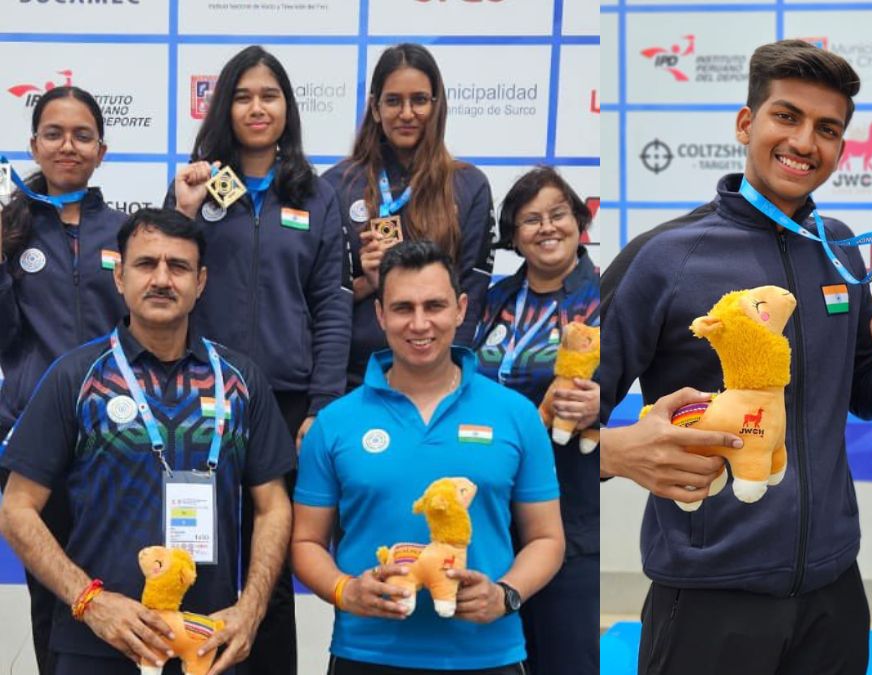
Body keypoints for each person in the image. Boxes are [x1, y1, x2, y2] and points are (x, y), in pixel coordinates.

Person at [598, 39, 872, 675]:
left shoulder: (841, 249)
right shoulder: (664, 256)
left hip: (834, 590)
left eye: (827, 129)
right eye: (787, 116)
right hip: (707, 595)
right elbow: (558, 419)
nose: (805, 142)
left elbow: (866, 391)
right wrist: (613, 452)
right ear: (745, 123)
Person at [0, 208, 294, 675]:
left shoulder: (241, 381)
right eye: (145, 264)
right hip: (96, 643)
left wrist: (251, 608)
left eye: (178, 266)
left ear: (200, 282)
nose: (161, 279)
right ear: (120, 277)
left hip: (207, 642)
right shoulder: (75, 377)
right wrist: (91, 602)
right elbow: (16, 508)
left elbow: (272, 506)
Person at [292, 240, 565, 674]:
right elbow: (306, 542)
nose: (419, 324)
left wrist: (505, 594)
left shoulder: (515, 415)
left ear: (460, 309)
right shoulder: (334, 423)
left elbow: (547, 539)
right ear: (380, 315)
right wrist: (345, 590)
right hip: (366, 655)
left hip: (488, 655)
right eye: (403, 308)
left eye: (434, 306)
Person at [168, 45, 353, 675]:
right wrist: (182, 210)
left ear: (287, 109)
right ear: (224, 105)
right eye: (243, 96)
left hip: (285, 402)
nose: (256, 108)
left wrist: (322, 404)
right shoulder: (194, 187)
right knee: (198, 549)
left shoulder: (316, 195)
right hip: (199, 395)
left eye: (269, 96)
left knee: (271, 560)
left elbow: (331, 304)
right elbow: (163, 278)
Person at [0, 85, 128, 675]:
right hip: (34, 441)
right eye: (54, 134)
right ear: (34, 146)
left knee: (119, 585)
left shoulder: (127, 232)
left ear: (102, 150)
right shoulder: (10, 230)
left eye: (82, 135)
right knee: (51, 597)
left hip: (117, 437)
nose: (68, 146)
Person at [472, 167, 600, 675]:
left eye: (558, 214)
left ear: (578, 221)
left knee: (566, 656)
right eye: (531, 219)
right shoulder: (493, 299)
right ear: (514, 233)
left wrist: (600, 403)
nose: (547, 227)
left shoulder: (603, 296)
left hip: (569, 505)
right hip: (492, 509)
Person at [323, 43, 496, 388]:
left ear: (436, 105)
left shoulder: (468, 185)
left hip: (440, 382)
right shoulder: (336, 185)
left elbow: (471, 295)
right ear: (375, 108)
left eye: (418, 100)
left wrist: (450, 380)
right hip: (356, 381)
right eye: (393, 101)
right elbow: (321, 302)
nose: (406, 113)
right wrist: (367, 283)